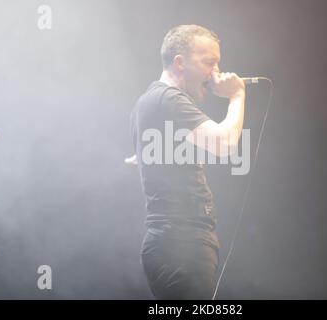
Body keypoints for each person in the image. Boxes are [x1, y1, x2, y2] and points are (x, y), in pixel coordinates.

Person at [130, 24, 246, 299]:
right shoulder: (169, 100)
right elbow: (224, 143)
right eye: (209, 62)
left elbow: (156, 153)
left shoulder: (148, 101)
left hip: (173, 242)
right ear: (180, 62)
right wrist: (237, 96)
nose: (216, 72)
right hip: (181, 243)